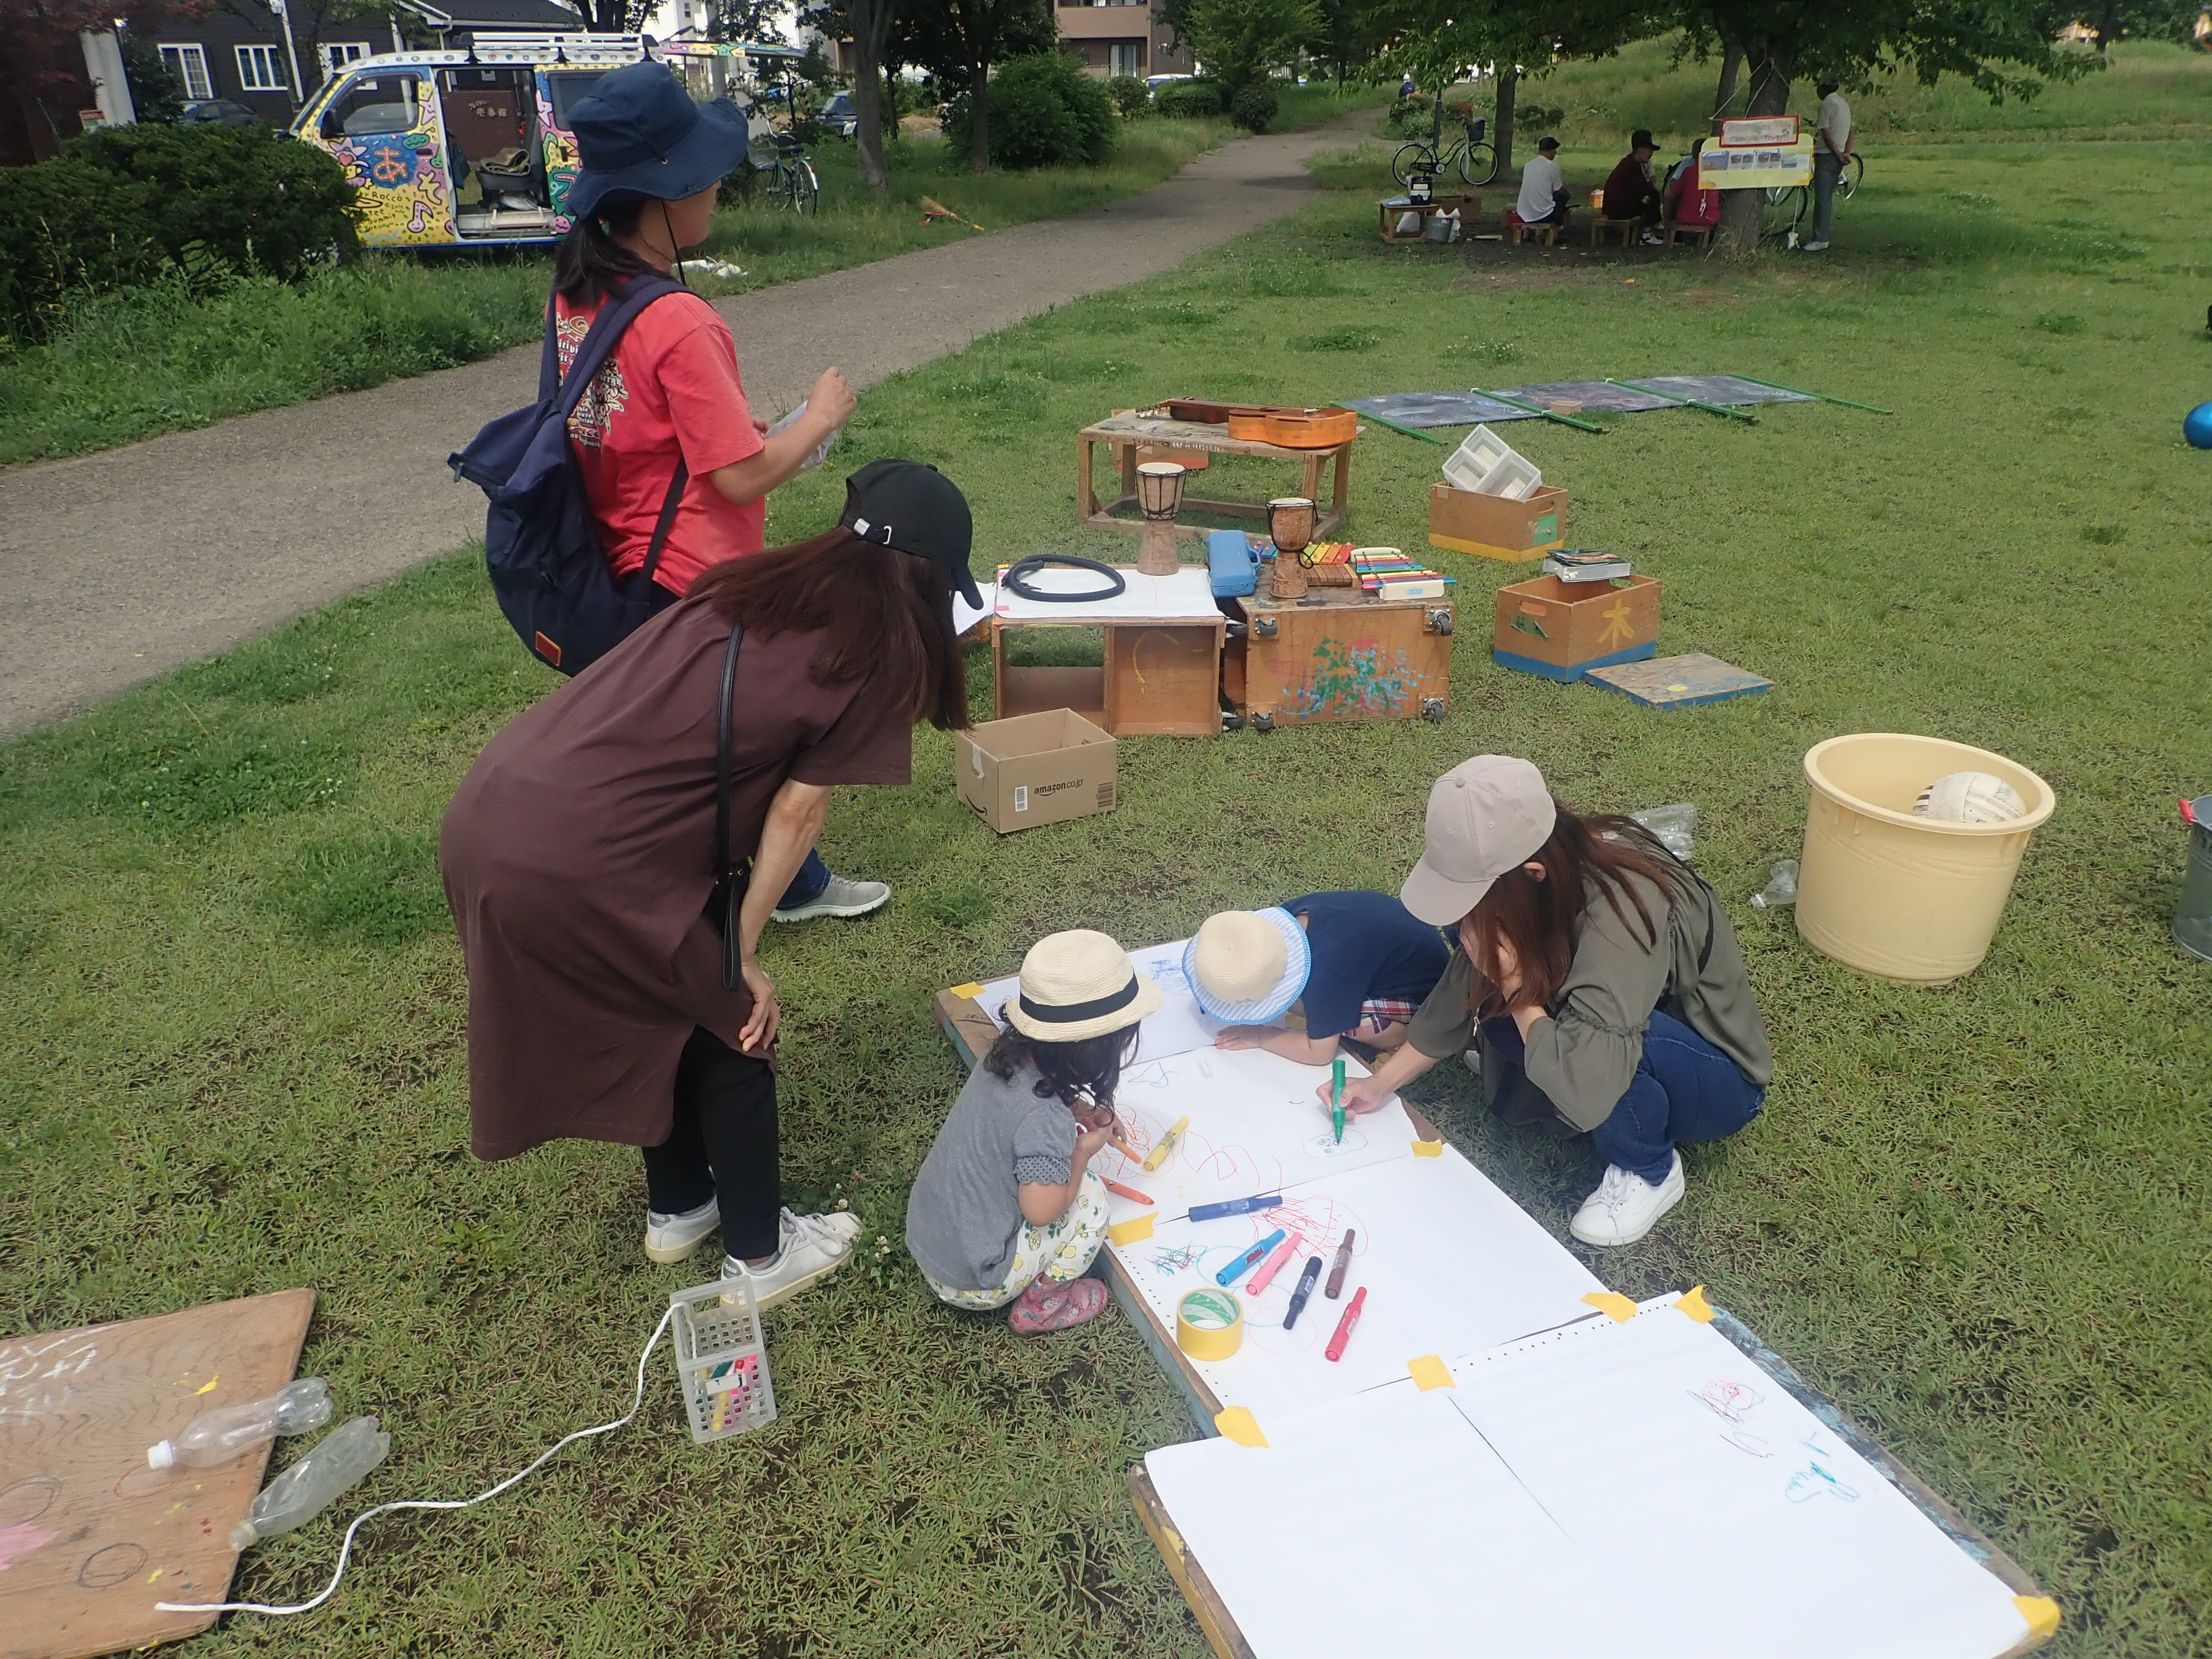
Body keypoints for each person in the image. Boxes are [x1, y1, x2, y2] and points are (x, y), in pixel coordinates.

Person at [440, 460, 981, 1306]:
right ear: (928, 578)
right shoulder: (875, 651)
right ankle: (762, 1263)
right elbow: (798, 817)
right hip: (586, 857)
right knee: (735, 1022)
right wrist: (741, 948)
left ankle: (682, 1207)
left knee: (668, 1007)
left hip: (495, 810)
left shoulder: (751, 589)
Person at [552, 58, 881, 926]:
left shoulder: (582, 294)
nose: (718, 191)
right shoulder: (682, 320)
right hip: (697, 578)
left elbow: (655, 438)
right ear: (663, 194)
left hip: (612, 565)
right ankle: (770, 891)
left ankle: (792, 882)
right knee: (756, 733)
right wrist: (818, 417)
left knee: (701, 738)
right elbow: (738, 476)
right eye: (707, 178)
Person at [1329, 757, 1773, 1248]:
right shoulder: (1549, 867)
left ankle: (1649, 1168)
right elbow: (1463, 987)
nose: (1469, 920)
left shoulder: (1624, 912)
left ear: (1534, 874)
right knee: (1505, 1009)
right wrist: (1382, 1083)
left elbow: (1595, 1076)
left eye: (1476, 901)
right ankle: (1557, 1065)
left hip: (1717, 1077)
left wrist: (1519, 990)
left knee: (1575, 1041)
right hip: (1608, 1032)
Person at [906, 931, 1162, 1334]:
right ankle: (1041, 1306)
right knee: (1091, 1200)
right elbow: (1042, 1211)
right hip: (973, 1277)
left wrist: (1077, 1108)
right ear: (1096, 1051)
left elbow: (1017, 1117)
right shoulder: (1044, 1119)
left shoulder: (1003, 1060)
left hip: (930, 1237)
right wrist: (1081, 1153)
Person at [1185, 893, 1450, 1065]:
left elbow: (1319, 1054)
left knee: (1347, 1023)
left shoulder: (1326, 974)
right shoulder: (1285, 922)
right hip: (1395, 954)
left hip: (1432, 995)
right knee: (1315, 1010)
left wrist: (1261, 1035)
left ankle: (1401, 1035)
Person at [1807, 81, 1853, 252]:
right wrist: (1847, 152)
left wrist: (1836, 154)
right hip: (1839, 155)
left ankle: (1820, 238)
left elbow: (1825, 133)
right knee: (1826, 197)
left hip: (1827, 156)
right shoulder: (1843, 104)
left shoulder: (1825, 105)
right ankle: (1820, 236)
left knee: (1822, 199)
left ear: (1823, 89)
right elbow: (1851, 130)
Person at [1601, 128, 1666, 244]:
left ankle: (1653, 228)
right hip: (1618, 209)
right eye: (1649, 150)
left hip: (1617, 206)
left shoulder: (1630, 163)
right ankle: (1648, 234)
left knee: (1650, 196)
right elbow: (1646, 188)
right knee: (1652, 196)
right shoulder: (1631, 165)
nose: (1651, 154)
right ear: (1640, 150)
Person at [1662, 139, 1721, 233]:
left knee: (1670, 198)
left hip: (1688, 214)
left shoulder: (1689, 171)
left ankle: (1667, 231)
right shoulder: (1717, 171)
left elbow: (1674, 191)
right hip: (1711, 217)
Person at [1514, 136, 1570, 232]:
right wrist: (1569, 195)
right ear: (1549, 152)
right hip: (1543, 215)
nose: (1555, 153)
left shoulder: (1529, 165)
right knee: (1562, 197)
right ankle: (1558, 228)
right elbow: (1559, 189)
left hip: (1524, 213)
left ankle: (1528, 233)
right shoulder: (1553, 167)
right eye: (1554, 151)